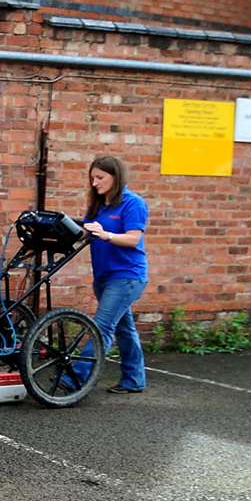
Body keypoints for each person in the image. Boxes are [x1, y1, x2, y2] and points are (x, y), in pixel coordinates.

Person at [79, 154, 148, 393]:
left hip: (127, 276)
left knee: (102, 326)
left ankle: (74, 378)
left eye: (100, 178)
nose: (95, 183)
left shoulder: (133, 203)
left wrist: (106, 234)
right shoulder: (99, 206)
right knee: (124, 329)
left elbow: (133, 239)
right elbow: (85, 233)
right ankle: (134, 380)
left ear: (115, 177)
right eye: (92, 178)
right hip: (104, 277)